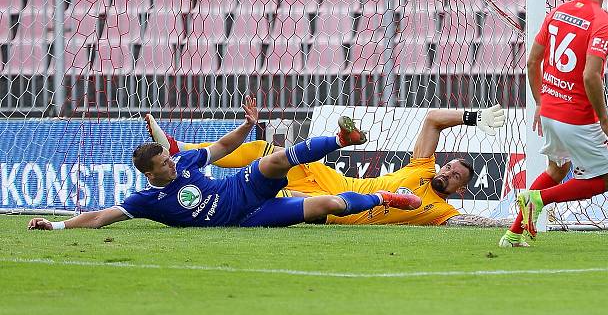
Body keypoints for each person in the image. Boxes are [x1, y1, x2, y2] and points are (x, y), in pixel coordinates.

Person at [27, 97, 421, 231]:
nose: (173, 160)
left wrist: (248, 125)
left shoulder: (183, 164)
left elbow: (220, 146)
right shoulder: (145, 200)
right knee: (331, 205)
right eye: (166, 160)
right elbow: (99, 218)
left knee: (278, 160)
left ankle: (340, 139)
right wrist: (57, 224)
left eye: (170, 155)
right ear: (153, 174)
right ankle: (387, 196)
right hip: (246, 218)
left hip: (241, 188)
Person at [145, 105, 511, 227]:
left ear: (461, 189)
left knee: (256, 200)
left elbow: (473, 222)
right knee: (266, 149)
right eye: (449, 168)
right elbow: (432, 119)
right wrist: (472, 117)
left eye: (455, 177)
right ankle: (179, 149)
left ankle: (214, 207)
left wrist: (518, 222)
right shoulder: (422, 168)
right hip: (332, 178)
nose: (447, 173)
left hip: (337, 208)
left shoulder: (441, 211)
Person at [499, 0, 608, 247]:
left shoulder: (558, 12)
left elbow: (532, 62)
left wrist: (541, 102)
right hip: (577, 118)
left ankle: (513, 234)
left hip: (549, 111)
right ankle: (538, 199)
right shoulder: (603, 21)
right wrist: (605, 119)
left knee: (557, 170)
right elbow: (591, 76)